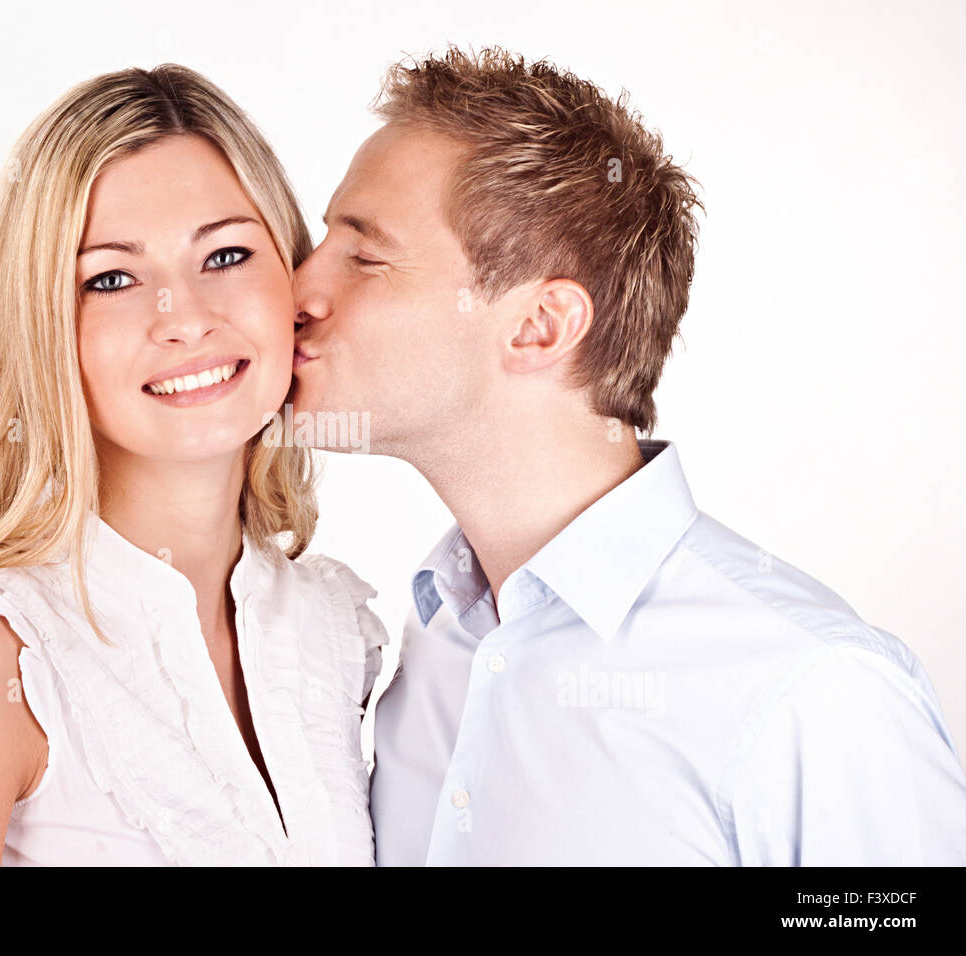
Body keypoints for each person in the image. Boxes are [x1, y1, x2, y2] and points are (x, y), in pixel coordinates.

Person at [290, 44, 966, 865]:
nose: (296, 292)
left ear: (540, 326)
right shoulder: (431, 641)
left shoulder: (811, 689)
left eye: (364, 257)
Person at [0, 64, 388, 866]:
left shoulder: (333, 631)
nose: (184, 319)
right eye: (111, 278)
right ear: (43, 324)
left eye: (223, 256)